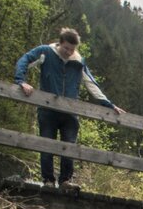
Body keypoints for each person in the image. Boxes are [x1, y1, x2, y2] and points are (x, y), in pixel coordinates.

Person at [14, 28, 126, 188]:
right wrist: (21, 81)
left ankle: (65, 180)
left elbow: (91, 84)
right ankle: (48, 180)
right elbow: (25, 60)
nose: (68, 52)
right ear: (60, 43)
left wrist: (109, 104)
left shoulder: (79, 62)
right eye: (66, 48)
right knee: (46, 144)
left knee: (69, 146)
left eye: (72, 50)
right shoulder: (45, 52)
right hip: (47, 109)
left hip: (70, 112)